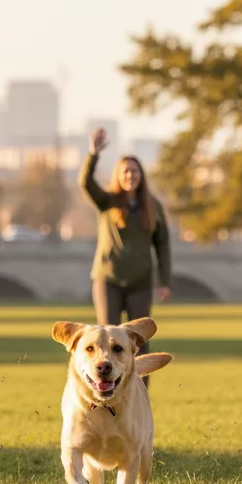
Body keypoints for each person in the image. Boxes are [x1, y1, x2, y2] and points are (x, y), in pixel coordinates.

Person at [79, 127, 171, 382]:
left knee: (139, 340)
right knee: (106, 340)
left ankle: (140, 393)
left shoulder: (153, 207)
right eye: (126, 171)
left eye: (135, 171)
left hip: (141, 282)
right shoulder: (108, 202)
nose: (131, 175)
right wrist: (93, 155)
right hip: (108, 280)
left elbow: (163, 245)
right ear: (119, 176)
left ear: (141, 176)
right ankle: (107, 390)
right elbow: (85, 183)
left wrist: (164, 281)